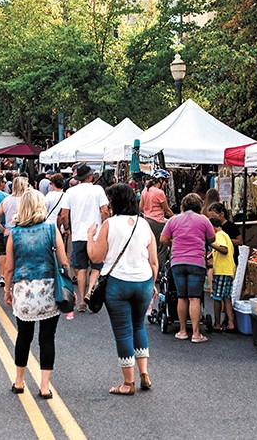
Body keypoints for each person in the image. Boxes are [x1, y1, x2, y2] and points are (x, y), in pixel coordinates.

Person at [86, 183, 157, 395]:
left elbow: (95, 257)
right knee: (139, 327)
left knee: (123, 332)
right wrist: (152, 284)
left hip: (118, 283)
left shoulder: (109, 224)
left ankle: (128, 383)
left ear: (115, 202)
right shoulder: (144, 224)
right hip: (143, 281)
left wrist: (91, 235)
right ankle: (144, 372)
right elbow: (153, 261)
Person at [3, 189, 70, 399]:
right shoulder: (51, 229)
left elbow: (9, 267)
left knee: (24, 336)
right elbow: (64, 261)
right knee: (47, 338)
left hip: (24, 291)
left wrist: (7, 290)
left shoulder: (15, 233)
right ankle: (44, 386)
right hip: (48, 290)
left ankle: (19, 381)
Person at [160, 193, 215, 343]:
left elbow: (163, 239)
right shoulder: (204, 220)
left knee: (181, 297)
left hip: (177, 262)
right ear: (199, 206)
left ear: (183, 206)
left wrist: (176, 243)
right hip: (196, 262)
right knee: (195, 297)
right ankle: (196, 334)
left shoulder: (174, 220)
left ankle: (182, 331)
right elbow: (212, 238)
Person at [59, 163, 109, 312]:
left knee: (80, 268)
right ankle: (90, 291)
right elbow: (105, 210)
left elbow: (63, 215)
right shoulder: (98, 189)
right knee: (96, 267)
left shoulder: (70, 192)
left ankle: (82, 300)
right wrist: (105, 225)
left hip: (78, 235)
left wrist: (68, 228)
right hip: (95, 234)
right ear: (90, 177)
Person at [140, 171, 174, 270]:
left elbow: (141, 207)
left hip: (146, 221)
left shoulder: (145, 191)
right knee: (160, 248)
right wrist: (176, 218)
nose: (166, 184)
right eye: (165, 181)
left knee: (147, 246)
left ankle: (147, 268)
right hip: (158, 222)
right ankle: (158, 271)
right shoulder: (159, 193)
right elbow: (167, 209)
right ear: (160, 180)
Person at [209, 217, 236, 332]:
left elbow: (224, 250)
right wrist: (209, 256)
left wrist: (210, 243)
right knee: (226, 297)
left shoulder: (219, 235)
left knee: (217, 297)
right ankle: (230, 323)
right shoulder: (225, 235)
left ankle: (217, 323)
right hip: (228, 270)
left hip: (221, 271)